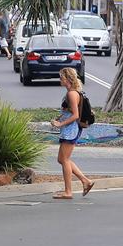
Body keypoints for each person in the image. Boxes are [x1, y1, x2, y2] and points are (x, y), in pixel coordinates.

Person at [52, 67, 93, 199]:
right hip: (69, 129)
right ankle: (85, 181)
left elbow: (75, 115)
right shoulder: (72, 92)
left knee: (64, 160)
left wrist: (60, 124)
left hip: (71, 129)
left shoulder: (72, 94)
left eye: (61, 77)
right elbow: (69, 111)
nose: (60, 80)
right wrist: (59, 118)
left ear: (68, 79)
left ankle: (68, 191)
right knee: (62, 159)